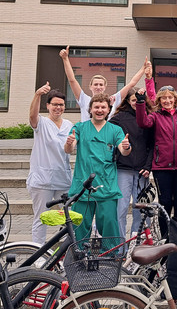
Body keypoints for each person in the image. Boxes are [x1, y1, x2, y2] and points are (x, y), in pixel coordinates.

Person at [64, 93, 131, 242]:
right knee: (79, 227)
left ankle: (110, 259)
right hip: (83, 186)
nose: (99, 110)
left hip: (106, 186)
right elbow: (69, 149)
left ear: (108, 110)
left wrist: (126, 146)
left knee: (109, 226)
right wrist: (69, 142)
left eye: (103, 107)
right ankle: (78, 259)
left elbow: (123, 150)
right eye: (96, 107)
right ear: (90, 109)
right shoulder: (79, 128)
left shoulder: (115, 130)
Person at [135, 85, 177, 237]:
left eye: (170, 97)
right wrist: (140, 103)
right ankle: (164, 237)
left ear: (175, 99)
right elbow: (143, 123)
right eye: (163, 98)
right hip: (162, 167)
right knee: (165, 203)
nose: (167, 100)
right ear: (159, 100)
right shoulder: (155, 115)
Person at [27, 83, 74, 244]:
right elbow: (32, 116)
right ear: (48, 106)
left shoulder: (69, 125)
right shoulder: (41, 123)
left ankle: (68, 252)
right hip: (42, 180)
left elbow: (69, 150)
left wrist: (70, 144)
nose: (58, 108)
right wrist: (37, 95)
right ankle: (39, 255)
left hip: (63, 179)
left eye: (61, 105)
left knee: (69, 218)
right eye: (54, 104)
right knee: (41, 218)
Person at [108, 86, 154, 241]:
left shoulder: (148, 117)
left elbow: (152, 145)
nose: (136, 103)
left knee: (141, 211)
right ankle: (120, 246)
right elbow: (106, 132)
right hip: (123, 169)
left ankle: (139, 245)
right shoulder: (119, 118)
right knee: (120, 209)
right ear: (127, 101)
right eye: (133, 100)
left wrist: (148, 166)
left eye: (138, 100)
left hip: (142, 172)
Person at [60, 45, 147, 122]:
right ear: (90, 86)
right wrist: (65, 59)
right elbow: (72, 80)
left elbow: (131, 84)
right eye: (95, 84)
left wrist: (143, 69)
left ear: (105, 87)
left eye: (101, 85)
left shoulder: (113, 99)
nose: (98, 87)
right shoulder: (84, 99)